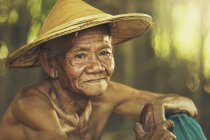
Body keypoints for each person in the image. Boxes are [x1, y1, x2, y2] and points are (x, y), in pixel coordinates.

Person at [0, 0, 201, 139]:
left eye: (104, 53)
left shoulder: (106, 95)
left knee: (180, 121)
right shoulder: (31, 106)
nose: (96, 67)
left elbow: (186, 104)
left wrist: (157, 109)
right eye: (80, 56)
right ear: (51, 65)